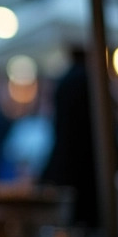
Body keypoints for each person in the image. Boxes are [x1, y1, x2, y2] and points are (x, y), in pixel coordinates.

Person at [40, 48, 99, 227]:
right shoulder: (92, 81)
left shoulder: (70, 82)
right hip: (91, 179)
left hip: (73, 179)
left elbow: (63, 139)